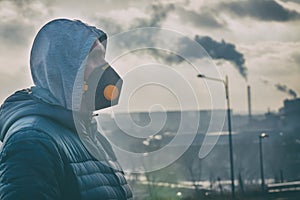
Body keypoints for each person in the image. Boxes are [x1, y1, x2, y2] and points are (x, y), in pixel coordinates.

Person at [0, 19, 132, 200]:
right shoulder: (32, 141)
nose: (105, 66)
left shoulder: (94, 136)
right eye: (94, 57)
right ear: (66, 67)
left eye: (103, 57)